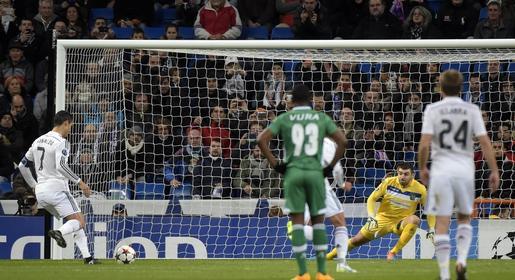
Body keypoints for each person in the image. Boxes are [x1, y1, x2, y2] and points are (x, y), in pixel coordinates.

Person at [257, 84, 346, 280]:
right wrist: (330, 167)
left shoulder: (285, 118)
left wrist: (275, 164)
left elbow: (261, 139)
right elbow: (343, 142)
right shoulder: (320, 118)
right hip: (315, 173)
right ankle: (322, 273)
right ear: (310, 100)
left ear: (291, 101)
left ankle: (302, 273)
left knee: (297, 223)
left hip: (294, 173)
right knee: (318, 223)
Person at [418, 70, 500, 280]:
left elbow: (425, 144)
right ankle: (462, 261)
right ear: (461, 87)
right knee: (464, 217)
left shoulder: (433, 109)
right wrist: (494, 169)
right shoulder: (471, 109)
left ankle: (445, 274)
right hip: (464, 169)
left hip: (442, 170)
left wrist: (422, 168)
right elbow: (485, 143)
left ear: (441, 88)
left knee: (442, 221)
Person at [17, 110, 99, 264]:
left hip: (41, 192)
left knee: (75, 221)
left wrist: (34, 186)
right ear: (65, 123)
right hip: (57, 189)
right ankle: (58, 232)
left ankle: (88, 258)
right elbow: (61, 166)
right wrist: (80, 183)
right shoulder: (61, 142)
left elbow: (22, 166)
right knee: (80, 221)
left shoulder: (38, 140)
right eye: (70, 126)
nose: (70, 130)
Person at [327, 163, 435, 261]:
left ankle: (393, 252)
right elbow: (371, 199)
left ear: (413, 175)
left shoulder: (420, 189)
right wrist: (371, 217)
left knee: (415, 219)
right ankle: (329, 257)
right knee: (356, 241)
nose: (402, 176)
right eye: (400, 173)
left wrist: (431, 228)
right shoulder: (389, 182)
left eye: (406, 174)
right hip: (382, 219)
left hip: (401, 222)